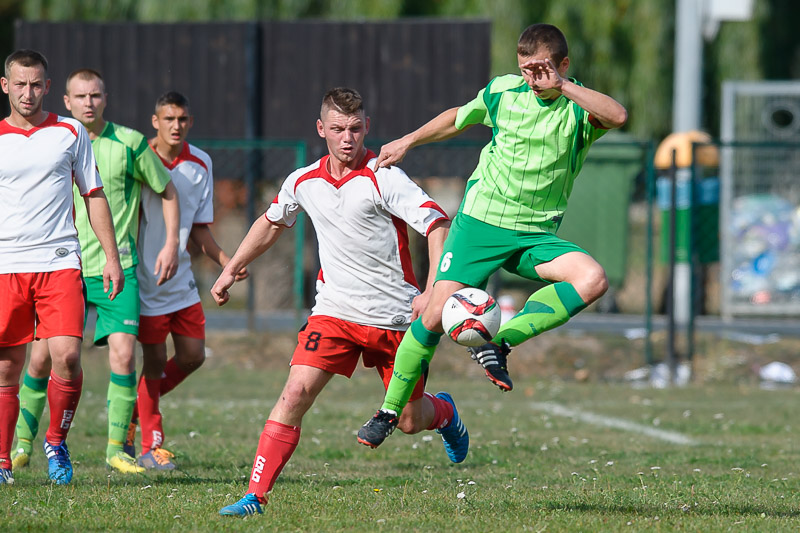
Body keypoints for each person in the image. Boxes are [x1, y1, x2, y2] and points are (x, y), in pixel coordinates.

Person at [357, 23, 628, 447]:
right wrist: (409, 140)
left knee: (592, 279)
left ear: (563, 65)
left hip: (535, 233)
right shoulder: (504, 91)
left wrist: (562, 86)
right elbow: (458, 118)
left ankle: (499, 345)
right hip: (481, 223)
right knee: (433, 314)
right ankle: (389, 410)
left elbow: (619, 116)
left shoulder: (578, 108)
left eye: (540, 70)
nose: (532, 79)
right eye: (525, 70)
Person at [214, 88, 466, 517]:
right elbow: (272, 222)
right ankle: (255, 496)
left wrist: (431, 292)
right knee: (294, 393)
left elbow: (437, 224)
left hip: (395, 318)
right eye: (337, 129)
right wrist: (231, 267)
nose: (347, 138)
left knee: (409, 420)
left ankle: (444, 413)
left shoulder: (385, 177)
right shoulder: (303, 181)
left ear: (366, 127)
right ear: (321, 129)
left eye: (354, 128)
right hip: (334, 313)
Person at [11, 68, 181, 474]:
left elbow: (167, 189)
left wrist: (171, 243)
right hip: (60, 267)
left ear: (106, 98)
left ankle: (116, 449)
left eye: (96, 95)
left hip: (116, 265)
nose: (89, 103)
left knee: (123, 354)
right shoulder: (52, 141)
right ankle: (22, 445)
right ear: (66, 101)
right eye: (81, 96)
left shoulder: (130, 143)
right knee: (41, 360)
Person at [0, 50, 124, 485]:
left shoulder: (70, 131)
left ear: (47, 87)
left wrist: (111, 258)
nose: (28, 93)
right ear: (5, 86)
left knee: (67, 356)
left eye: (36, 84)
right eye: (20, 84)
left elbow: (94, 194)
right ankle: (2, 461)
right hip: (7, 266)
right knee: (6, 369)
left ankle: (56, 442)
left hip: (59, 261)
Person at [127, 91, 248, 470]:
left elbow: (198, 227)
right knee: (153, 360)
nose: (176, 125)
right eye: (169, 119)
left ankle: (133, 410)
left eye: (182, 119)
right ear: (155, 121)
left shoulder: (201, 163)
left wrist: (227, 262)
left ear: (190, 122)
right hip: (146, 280)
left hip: (181, 279)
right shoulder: (138, 158)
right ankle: (151, 445)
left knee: (193, 355)